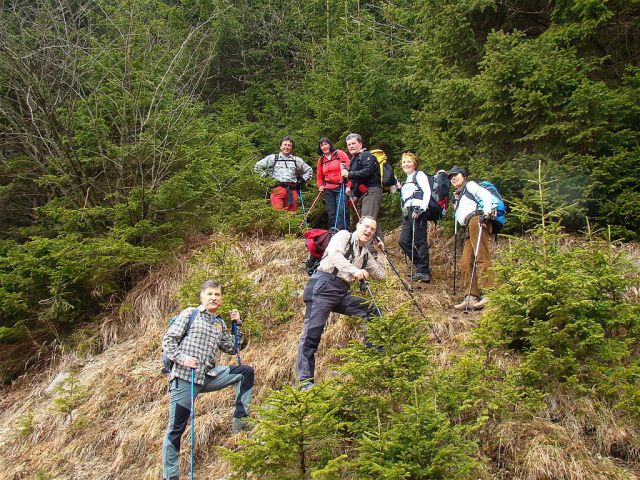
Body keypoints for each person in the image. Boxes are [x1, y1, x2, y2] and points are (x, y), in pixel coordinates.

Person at [162, 280, 254, 480]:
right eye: (210, 294)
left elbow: (234, 348)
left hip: (209, 375)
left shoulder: (219, 323)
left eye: (217, 295)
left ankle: (241, 422)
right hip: (185, 378)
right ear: (202, 297)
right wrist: (183, 359)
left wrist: (238, 324)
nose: (214, 298)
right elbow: (168, 341)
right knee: (176, 429)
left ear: (221, 299)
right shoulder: (190, 314)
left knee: (245, 372)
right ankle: (171, 476)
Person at [296, 216, 386, 389]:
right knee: (311, 337)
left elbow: (381, 275)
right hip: (322, 287)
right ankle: (305, 384)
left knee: (371, 310)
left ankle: (373, 356)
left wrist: (380, 252)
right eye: (366, 226)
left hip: (340, 291)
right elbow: (335, 255)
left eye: (373, 229)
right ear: (358, 225)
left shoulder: (365, 253)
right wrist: (355, 270)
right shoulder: (344, 236)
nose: (369, 231)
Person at [449, 166, 494, 311]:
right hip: (468, 226)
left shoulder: (470, 185)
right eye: (451, 177)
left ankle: (491, 291)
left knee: (481, 255)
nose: (453, 178)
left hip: (477, 220)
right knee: (465, 262)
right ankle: (471, 295)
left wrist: (486, 214)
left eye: (456, 175)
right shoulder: (458, 194)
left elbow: (486, 196)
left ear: (464, 176)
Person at [340, 133, 383, 243]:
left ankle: (370, 252)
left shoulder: (366, 155)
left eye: (354, 143)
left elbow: (367, 171)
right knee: (371, 222)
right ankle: (379, 250)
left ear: (360, 144)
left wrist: (349, 174)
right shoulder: (355, 159)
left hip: (371, 191)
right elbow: (355, 179)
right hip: (363, 194)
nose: (351, 146)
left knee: (367, 223)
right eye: (349, 144)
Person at [254, 136, 313, 211]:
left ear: (291, 148)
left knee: (292, 215)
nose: (287, 147)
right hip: (277, 189)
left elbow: (309, 170)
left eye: (289, 145)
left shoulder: (296, 160)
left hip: (292, 190)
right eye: (285, 145)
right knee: (277, 214)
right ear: (280, 146)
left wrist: (302, 180)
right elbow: (257, 166)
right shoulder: (273, 158)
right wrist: (267, 177)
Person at [398, 152, 432, 283]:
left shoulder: (420, 175)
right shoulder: (407, 179)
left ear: (414, 163)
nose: (405, 164)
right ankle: (421, 266)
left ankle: (423, 272)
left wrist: (421, 209)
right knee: (403, 241)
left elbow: (427, 192)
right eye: (404, 162)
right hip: (408, 213)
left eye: (408, 161)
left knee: (419, 241)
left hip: (418, 210)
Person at [316, 137, 351, 230]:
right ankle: (333, 233)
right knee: (331, 212)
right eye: (322, 145)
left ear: (330, 144)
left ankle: (344, 233)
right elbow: (319, 176)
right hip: (328, 189)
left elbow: (350, 169)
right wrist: (320, 186)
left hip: (341, 186)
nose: (324, 147)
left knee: (341, 210)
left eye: (326, 144)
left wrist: (349, 185)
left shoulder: (340, 154)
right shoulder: (321, 160)